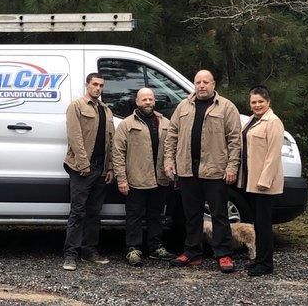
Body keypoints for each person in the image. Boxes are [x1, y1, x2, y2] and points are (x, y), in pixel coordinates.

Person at [164, 69, 242, 273]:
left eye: (205, 82)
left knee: (219, 215)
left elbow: (235, 140)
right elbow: (172, 135)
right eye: (198, 82)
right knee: (191, 215)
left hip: (215, 170)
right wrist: (169, 161)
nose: (201, 86)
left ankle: (223, 254)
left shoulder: (226, 107)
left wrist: (232, 166)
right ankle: (192, 253)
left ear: (213, 84)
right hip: (188, 170)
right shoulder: (183, 106)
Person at [113, 88, 176, 266]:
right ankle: (133, 249)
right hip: (136, 179)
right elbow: (118, 153)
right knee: (134, 216)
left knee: (156, 216)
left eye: (150, 99)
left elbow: (172, 147)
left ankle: (156, 247)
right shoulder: (126, 124)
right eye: (144, 99)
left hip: (160, 179)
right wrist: (122, 179)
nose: (148, 102)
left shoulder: (165, 122)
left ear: (154, 101)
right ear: (137, 102)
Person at [62, 72, 115, 271]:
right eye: (95, 84)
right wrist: (84, 164)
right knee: (78, 212)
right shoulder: (76, 106)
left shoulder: (106, 110)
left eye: (101, 85)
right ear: (87, 85)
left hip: (101, 168)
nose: (98, 89)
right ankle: (70, 254)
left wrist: (109, 167)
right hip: (81, 168)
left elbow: (110, 140)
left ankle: (89, 250)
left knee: (94, 213)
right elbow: (74, 137)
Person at [239, 85, 284, 276]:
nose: (257, 105)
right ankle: (259, 259)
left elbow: (273, 155)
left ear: (268, 102)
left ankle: (266, 265)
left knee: (264, 225)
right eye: (253, 102)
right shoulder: (252, 120)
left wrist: (264, 181)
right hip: (252, 180)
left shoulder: (273, 122)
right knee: (257, 223)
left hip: (264, 184)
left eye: (260, 102)